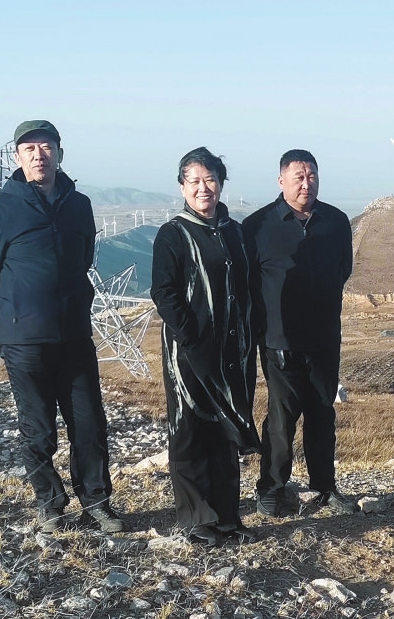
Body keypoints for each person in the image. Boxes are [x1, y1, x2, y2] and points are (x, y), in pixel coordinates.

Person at [0, 120, 124, 533]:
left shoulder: (79, 205)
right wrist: (15, 311)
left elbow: (84, 258)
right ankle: (50, 504)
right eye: (30, 149)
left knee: (89, 424)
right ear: (18, 157)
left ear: (59, 153)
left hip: (74, 334)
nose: (39, 155)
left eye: (47, 147)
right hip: (26, 340)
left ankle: (98, 503)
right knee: (38, 428)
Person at [150, 148, 260, 546]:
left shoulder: (236, 232)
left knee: (226, 430)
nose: (203, 188)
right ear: (182, 187)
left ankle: (228, 518)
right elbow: (164, 292)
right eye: (194, 180)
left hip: (233, 351)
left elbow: (250, 287)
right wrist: (192, 337)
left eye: (210, 179)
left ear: (221, 183)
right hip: (189, 353)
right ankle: (196, 519)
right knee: (190, 429)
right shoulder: (173, 234)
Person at [243, 149, 358, 517]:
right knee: (281, 418)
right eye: (299, 177)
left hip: (324, 337)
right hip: (279, 341)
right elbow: (249, 282)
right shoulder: (257, 225)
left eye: (312, 176)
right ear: (281, 181)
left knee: (322, 414)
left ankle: (325, 486)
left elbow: (343, 269)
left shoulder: (336, 221)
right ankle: (271, 488)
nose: (306, 184)